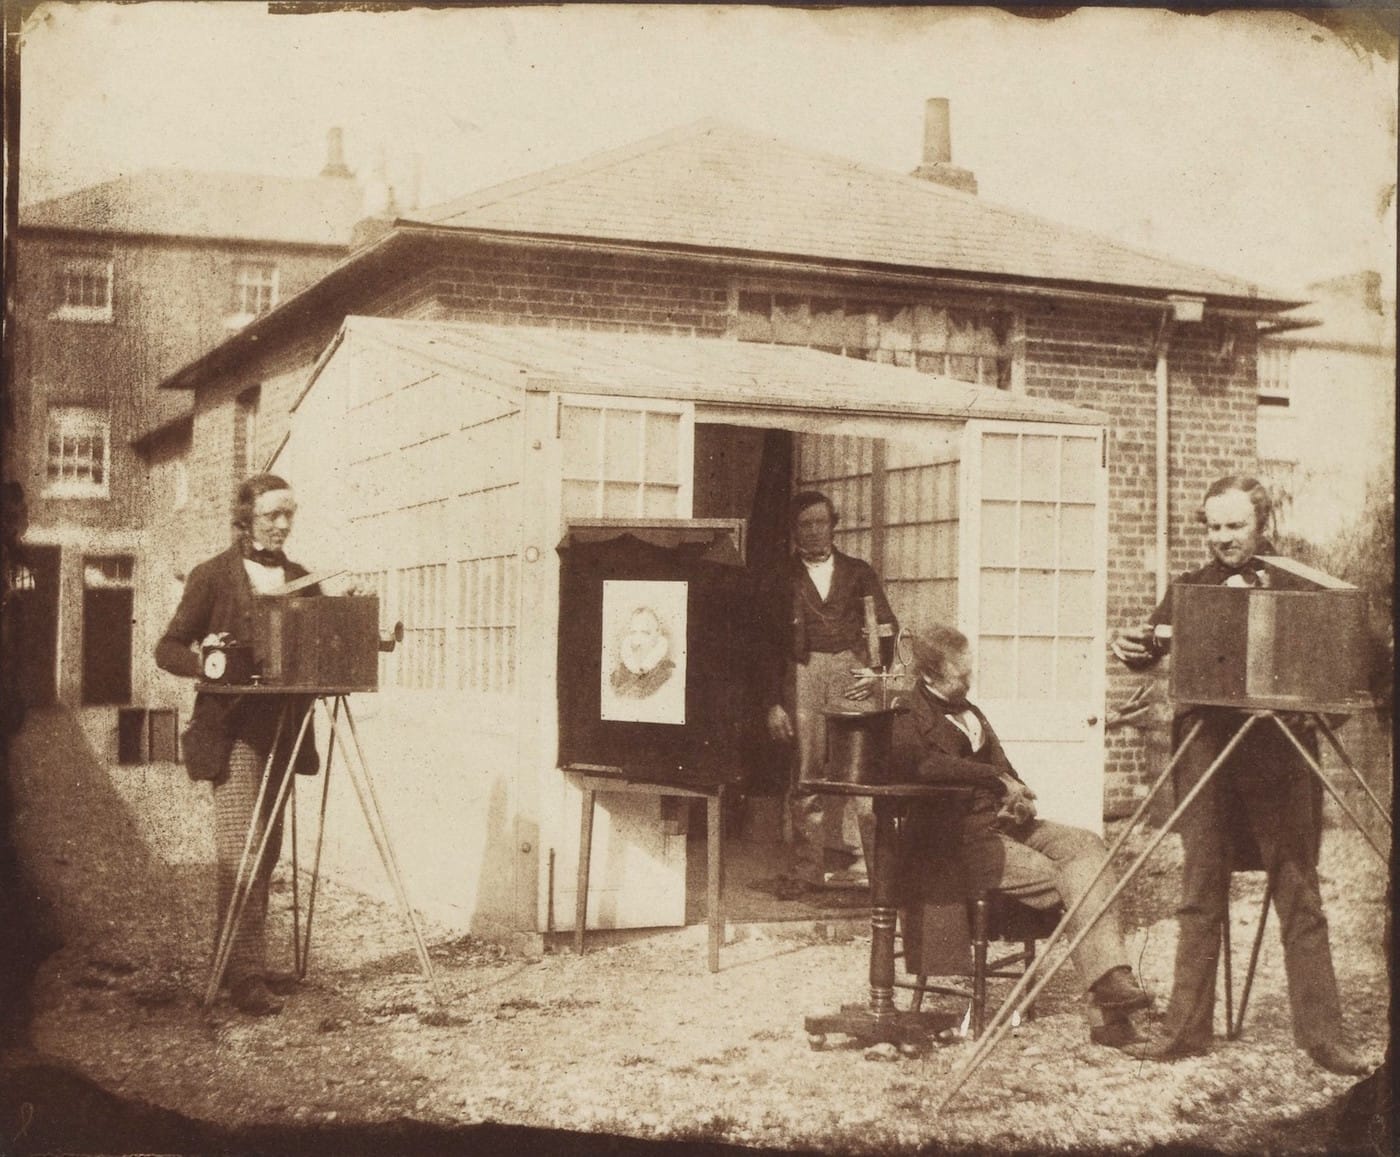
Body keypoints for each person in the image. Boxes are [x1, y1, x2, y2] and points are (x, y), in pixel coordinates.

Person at [1111, 474, 1369, 1075]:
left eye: (1235, 525)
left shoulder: (1302, 586)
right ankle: (1185, 1031)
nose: (1223, 537)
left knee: (1298, 891)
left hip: (1279, 756)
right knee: (1200, 889)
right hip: (1206, 749)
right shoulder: (1189, 588)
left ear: (1262, 524)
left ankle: (1324, 1037)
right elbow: (1152, 645)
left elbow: (1344, 672)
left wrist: (1313, 712)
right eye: (1214, 526)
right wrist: (1133, 649)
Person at [901, 624, 1151, 1041]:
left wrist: (1018, 793)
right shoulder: (909, 715)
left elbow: (1005, 768)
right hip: (959, 841)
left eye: (969, 671)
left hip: (1004, 824)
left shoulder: (971, 712)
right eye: (960, 675)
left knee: (1088, 846)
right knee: (1071, 880)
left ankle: (1110, 985)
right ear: (929, 674)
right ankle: (1108, 1010)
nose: (969, 681)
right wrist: (995, 779)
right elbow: (926, 767)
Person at [155, 474, 320, 1016]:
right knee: (240, 852)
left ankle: (236, 963)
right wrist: (206, 663)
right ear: (246, 517)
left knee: (265, 850)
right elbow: (167, 647)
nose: (282, 524)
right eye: (272, 514)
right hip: (231, 732)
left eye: (289, 514)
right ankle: (245, 976)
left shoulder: (302, 579)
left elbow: (323, 643)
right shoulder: (212, 576)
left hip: (283, 732)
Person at [754, 491, 896, 889]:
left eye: (821, 522)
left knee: (864, 772)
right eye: (806, 524)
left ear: (834, 525)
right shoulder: (780, 577)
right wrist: (773, 704)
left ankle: (874, 872)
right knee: (807, 772)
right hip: (803, 672)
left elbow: (886, 626)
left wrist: (876, 672)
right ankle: (807, 871)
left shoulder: (858, 572)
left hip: (853, 671)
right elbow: (765, 646)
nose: (815, 531)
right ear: (794, 531)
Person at [609, 606, 676, 699]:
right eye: (633, 633)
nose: (638, 640)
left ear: (657, 634)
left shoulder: (669, 674)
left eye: (645, 633)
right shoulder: (617, 674)